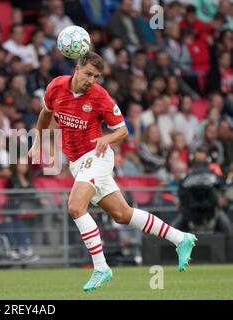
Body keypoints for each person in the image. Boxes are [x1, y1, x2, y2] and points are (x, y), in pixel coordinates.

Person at [28, 51, 197, 292]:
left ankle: (101, 267)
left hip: (97, 156)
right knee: (122, 214)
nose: (91, 80)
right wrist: (37, 142)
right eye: (88, 74)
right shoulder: (56, 86)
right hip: (77, 162)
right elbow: (45, 114)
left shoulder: (99, 96)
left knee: (76, 206)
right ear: (77, 68)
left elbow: (122, 130)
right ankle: (181, 238)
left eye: (96, 76)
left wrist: (106, 138)